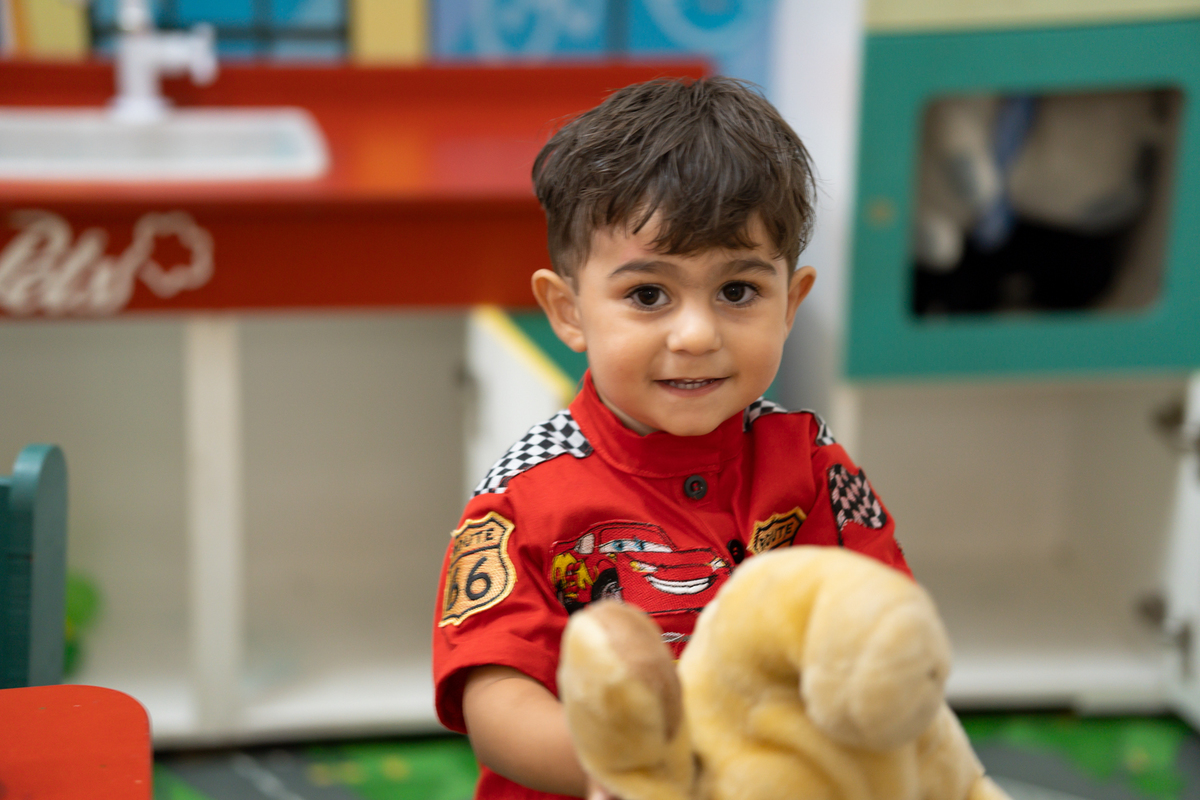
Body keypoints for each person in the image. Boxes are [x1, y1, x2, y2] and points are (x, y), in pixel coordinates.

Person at [432, 76, 911, 800]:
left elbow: (878, 631)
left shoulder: (812, 465)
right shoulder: (522, 496)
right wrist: (631, 777)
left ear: (791, 303)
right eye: (648, 295)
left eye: (737, 292)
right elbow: (496, 702)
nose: (695, 335)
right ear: (569, 311)